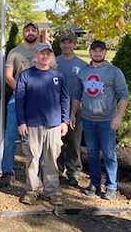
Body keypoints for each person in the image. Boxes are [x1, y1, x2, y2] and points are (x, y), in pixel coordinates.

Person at [0, 22, 57, 187]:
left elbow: (53, 74)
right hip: (18, 99)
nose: (30, 32)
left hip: (40, 102)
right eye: (27, 30)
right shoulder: (15, 52)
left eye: (33, 30)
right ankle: (7, 172)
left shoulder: (45, 52)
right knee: (9, 138)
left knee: (38, 141)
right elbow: (8, 76)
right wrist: (23, 89)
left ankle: (35, 175)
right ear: (24, 32)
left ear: (37, 33)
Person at [71, 40, 129, 201]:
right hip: (88, 120)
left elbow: (124, 95)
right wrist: (72, 114)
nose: (97, 53)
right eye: (94, 51)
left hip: (107, 121)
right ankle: (94, 183)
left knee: (109, 154)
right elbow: (76, 95)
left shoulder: (114, 72)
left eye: (100, 51)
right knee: (92, 153)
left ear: (105, 52)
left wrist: (118, 117)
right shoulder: (83, 72)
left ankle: (111, 186)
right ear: (90, 52)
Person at [16, 42, 69, 206]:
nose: (44, 56)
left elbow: (65, 99)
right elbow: (19, 100)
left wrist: (64, 121)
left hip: (53, 124)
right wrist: (21, 122)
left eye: (48, 53)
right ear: (36, 55)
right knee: (32, 158)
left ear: (51, 56)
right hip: (32, 124)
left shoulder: (58, 76)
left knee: (52, 159)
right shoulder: (26, 75)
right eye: (41, 53)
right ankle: (31, 190)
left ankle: (51, 191)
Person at [56, 32, 88, 186]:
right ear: (60, 44)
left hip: (76, 108)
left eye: (70, 42)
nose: (66, 45)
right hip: (56, 108)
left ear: (74, 44)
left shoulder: (82, 65)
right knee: (57, 142)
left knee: (74, 142)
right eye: (63, 42)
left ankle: (73, 172)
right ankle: (56, 171)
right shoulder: (54, 62)